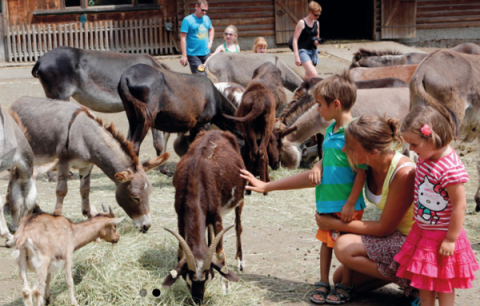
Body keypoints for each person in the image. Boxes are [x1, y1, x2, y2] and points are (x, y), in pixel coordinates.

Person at [240, 72, 367, 305]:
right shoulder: (329, 131)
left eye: (319, 105)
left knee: (346, 243)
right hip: (327, 201)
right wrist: (318, 164)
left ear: (336, 105)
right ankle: (322, 281)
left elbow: (361, 170)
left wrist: (351, 202)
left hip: (347, 205)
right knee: (326, 243)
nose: (317, 109)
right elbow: (331, 158)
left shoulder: (354, 133)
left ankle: (344, 284)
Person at [315, 115, 418, 302]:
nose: (344, 149)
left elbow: (383, 228)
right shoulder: (368, 166)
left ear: (373, 152)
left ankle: (420, 281)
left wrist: (333, 223)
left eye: (351, 147)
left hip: (413, 242)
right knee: (342, 279)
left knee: (344, 248)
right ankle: (407, 279)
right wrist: (267, 186)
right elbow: (323, 175)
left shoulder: (403, 173)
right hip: (394, 239)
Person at [394, 106, 479, 306]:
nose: (411, 149)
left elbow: (459, 205)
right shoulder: (426, 156)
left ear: (432, 139)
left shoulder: (450, 168)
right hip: (424, 232)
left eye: (414, 144)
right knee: (425, 282)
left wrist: (451, 239)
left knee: (444, 284)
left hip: (442, 236)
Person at [180, 0, 214, 75]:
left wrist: (210, 42)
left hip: (206, 53)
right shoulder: (187, 20)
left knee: (210, 75)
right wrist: (184, 55)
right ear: (196, 7)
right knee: (201, 76)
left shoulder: (206, 18)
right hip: (193, 54)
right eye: (202, 10)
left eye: (206, 10)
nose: (204, 12)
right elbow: (183, 38)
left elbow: (211, 29)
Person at [292, 1, 322, 79]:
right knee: (314, 74)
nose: (317, 16)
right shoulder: (302, 23)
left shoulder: (317, 23)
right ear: (310, 12)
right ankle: (314, 91)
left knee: (308, 76)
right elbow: (295, 40)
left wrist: (317, 41)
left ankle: (303, 90)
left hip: (313, 51)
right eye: (316, 15)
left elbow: (317, 37)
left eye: (319, 15)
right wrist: (297, 56)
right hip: (303, 51)